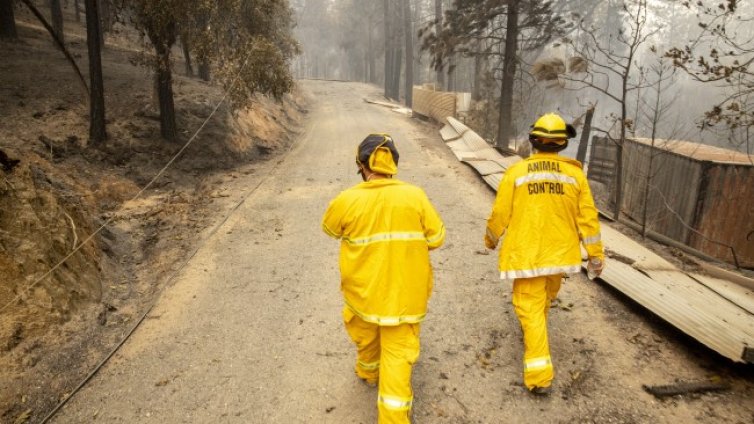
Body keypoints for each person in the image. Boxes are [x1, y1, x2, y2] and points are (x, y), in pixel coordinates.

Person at [322, 133, 445, 423]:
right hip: (405, 299)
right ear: (394, 163)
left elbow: (329, 229)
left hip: (363, 294)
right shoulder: (415, 196)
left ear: (361, 166)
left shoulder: (347, 199)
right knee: (398, 357)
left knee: (366, 336)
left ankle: (367, 372)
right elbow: (437, 237)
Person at [484, 113, 604, 395]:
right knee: (544, 302)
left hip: (527, 256)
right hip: (560, 256)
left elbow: (500, 212)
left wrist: (491, 239)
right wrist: (595, 254)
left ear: (534, 141)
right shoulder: (575, 176)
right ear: (562, 144)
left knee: (530, 308)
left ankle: (539, 376)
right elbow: (588, 219)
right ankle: (534, 330)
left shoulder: (517, 173)